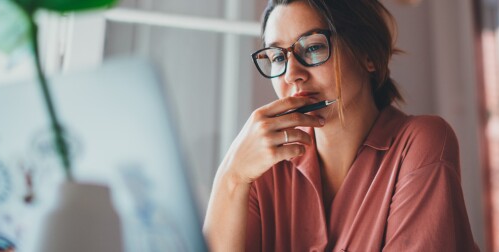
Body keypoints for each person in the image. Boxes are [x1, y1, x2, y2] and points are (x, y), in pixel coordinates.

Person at [203, 0, 479, 251]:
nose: (292, 74)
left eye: (312, 47)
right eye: (277, 57)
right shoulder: (263, 169)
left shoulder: (421, 143)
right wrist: (232, 175)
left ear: (368, 54)